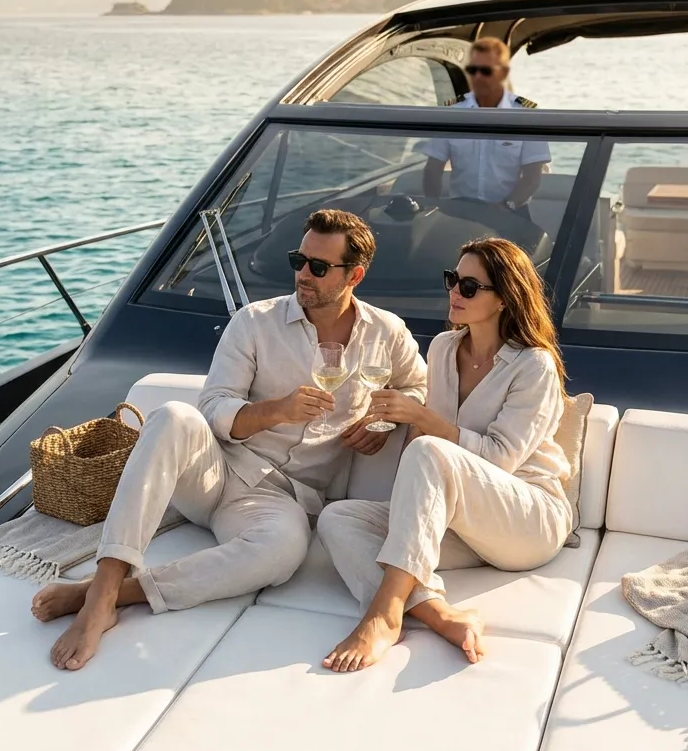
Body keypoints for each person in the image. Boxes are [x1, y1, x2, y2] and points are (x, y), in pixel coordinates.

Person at [32, 208, 428, 671]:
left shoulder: (386, 332)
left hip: (284, 500)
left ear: (354, 275)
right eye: (298, 260)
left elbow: (418, 387)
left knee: (284, 552)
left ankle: (125, 594)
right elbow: (213, 406)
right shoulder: (254, 322)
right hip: (218, 472)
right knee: (174, 416)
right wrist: (275, 410)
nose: (303, 273)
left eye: (319, 267)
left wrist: (383, 421)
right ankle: (102, 590)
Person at [318, 236, 572, 673]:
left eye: (470, 287)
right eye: (453, 279)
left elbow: (499, 460)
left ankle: (385, 613)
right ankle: (439, 614)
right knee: (337, 518)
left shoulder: (534, 366)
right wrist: (394, 423)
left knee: (430, 448)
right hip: (462, 522)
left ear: (504, 298)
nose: (455, 292)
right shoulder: (443, 347)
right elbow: (426, 446)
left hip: (527, 520)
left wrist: (423, 419)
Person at [418, 38, 548, 217]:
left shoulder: (526, 115)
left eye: (486, 71)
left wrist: (507, 207)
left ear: (503, 73)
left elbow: (532, 178)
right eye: (473, 70)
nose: (478, 77)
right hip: (460, 212)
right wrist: (432, 208)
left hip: (511, 212)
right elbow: (433, 169)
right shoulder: (452, 113)